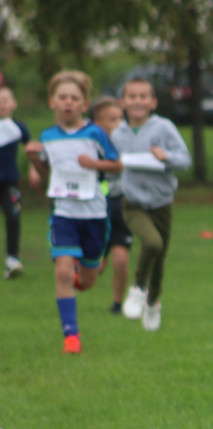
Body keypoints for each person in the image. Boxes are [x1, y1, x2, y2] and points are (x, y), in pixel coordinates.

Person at [24, 70, 121, 354]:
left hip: (94, 215)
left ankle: (86, 272)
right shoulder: (48, 136)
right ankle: (71, 337)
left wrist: (94, 164)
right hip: (63, 212)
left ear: (84, 103)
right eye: (62, 97)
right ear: (52, 101)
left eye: (74, 98)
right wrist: (34, 158)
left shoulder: (95, 133)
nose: (68, 102)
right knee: (63, 273)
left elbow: (117, 165)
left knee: (87, 281)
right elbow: (48, 172)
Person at [112, 77, 192, 330]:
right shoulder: (118, 134)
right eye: (132, 96)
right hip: (133, 203)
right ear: (123, 102)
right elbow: (113, 166)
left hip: (162, 203)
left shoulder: (163, 128)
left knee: (159, 255)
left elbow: (185, 160)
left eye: (143, 96)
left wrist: (165, 156)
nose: (137, 101)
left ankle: (153, 302)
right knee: (152, 242)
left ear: (153, 102)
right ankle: (137, 289)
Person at [91, 96, 132, 313]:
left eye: (120, 118)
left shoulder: (129, 142)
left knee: (121, 260)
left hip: (123, 206)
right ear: (98, 124)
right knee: (96, 266)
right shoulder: (90, 145)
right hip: (97, 207)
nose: (119, 124)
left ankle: (117, 304)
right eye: (112, 119)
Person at [0, 85, 40, 279]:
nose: (1, 104)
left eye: (5, 100)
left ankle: (12, 259)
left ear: (13, 104)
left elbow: (31, 149)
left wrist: (34, 169)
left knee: (13, 217)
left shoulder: (19, 127)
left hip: (10, 183)